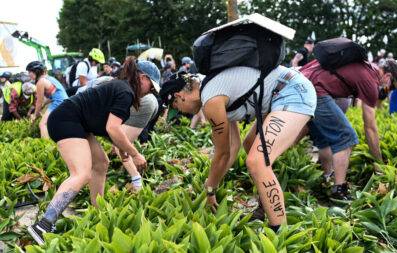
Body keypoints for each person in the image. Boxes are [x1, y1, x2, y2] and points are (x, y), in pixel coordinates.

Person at [160, 66, 317, 232]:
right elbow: (233, 147)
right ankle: (267, 206)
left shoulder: (211, 99)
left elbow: (222, 153)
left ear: (179, 96)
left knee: (257, 161)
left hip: (292, 92)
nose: (180, 112)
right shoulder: (211, 87)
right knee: (250, 145)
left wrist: (210, 189)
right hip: (282, 91)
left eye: (176, 107)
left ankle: (280, 232)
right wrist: (214, 182)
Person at [27, 57, 160, 245]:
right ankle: (43, 225)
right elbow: (113, 128)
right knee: (81, 173)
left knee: (101, 163)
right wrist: (136, 154)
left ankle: (98, 212)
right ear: (142, 78)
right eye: (152, 87)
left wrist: (124, 150)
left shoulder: (121, 87)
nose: (150, 92)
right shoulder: (126, 92)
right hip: (67, 120)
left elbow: (114, 130)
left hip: (78, 122)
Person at [299, 58, 397, 199]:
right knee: (346, 137)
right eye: (392, 86)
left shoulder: (365, 67)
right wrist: (379, 162)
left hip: (304, 82)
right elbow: (370, 127)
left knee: (324, 138)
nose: (388, 90)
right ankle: (339, 191)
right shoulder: (371, 79)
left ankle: (326, 179)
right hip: (315, 89)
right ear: (388, 76)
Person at [26, 61, 68, 138]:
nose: (29, 74)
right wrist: (43, 105)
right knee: (54, 123)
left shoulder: (40, 82)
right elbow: (53, 95)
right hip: (64, 101)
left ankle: (45, 147)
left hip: (59, 102)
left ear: (36, 71)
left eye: (30, 72)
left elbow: (39, 101)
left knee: (42, 124)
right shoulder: (49, 78)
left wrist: (35, 115)